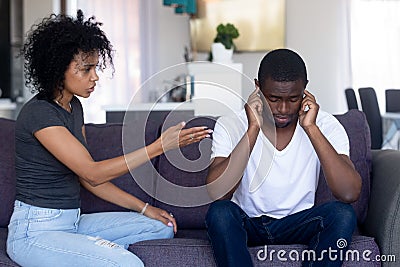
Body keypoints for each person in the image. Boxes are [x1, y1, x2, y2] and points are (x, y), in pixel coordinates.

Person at [6, 10, 212, 267]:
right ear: (58, 68)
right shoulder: (39, 113)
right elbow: (93, 173)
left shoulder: (74, 108)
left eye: (95, 67)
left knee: (162, 227)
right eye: (86, 69)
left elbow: (88, 180)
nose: (95, 77)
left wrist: (145, 209)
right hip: (35, 231)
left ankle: (86, 253)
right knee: (127, 264)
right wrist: (159, 147)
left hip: (73, 222)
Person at [205, 48, 362, 267]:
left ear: (305, 90)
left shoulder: (325, 125)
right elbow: (217, 192)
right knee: (220, 213)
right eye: (274, 98)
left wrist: (311, 128)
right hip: (247, 223)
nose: (283, 109)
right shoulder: (231, 124)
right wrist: (253, 128)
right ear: (257, 88)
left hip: (299, 224)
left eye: (293, 99)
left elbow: (348, 192)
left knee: (342, 214)